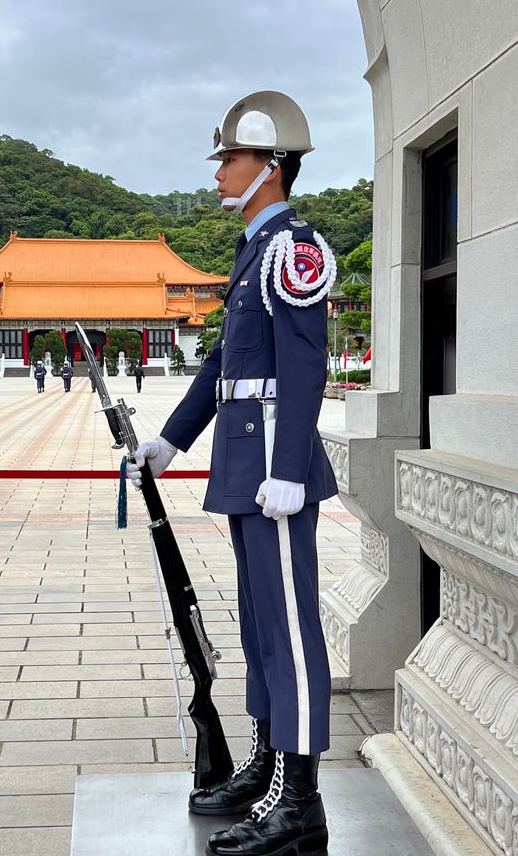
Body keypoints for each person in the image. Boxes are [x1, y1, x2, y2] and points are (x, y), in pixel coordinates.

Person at [127, 90, 337, 856]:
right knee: (259, 626)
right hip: (247, 465)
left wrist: (289, 469)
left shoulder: (293, 249)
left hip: (277, 468)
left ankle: (300, 801)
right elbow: (225, 363)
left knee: (292, 630)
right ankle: (268, 766)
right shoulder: (252, 252)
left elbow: (304, 367)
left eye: (231, 158)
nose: (219, 171)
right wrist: (171, 440)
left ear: (271, 165)